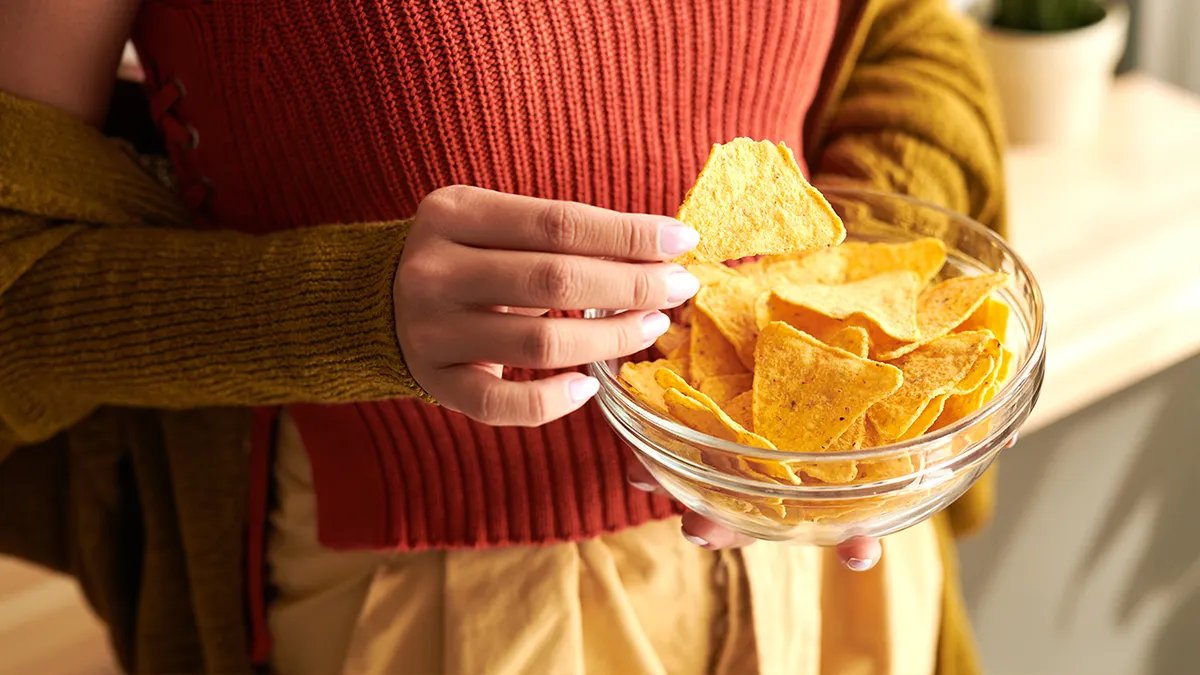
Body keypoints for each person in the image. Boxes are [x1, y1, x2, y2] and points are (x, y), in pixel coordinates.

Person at [0, 0, 1007, 673]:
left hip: (829, 578)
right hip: (440, 621)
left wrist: (868, 330)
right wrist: (344, 308)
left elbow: (903, 34)